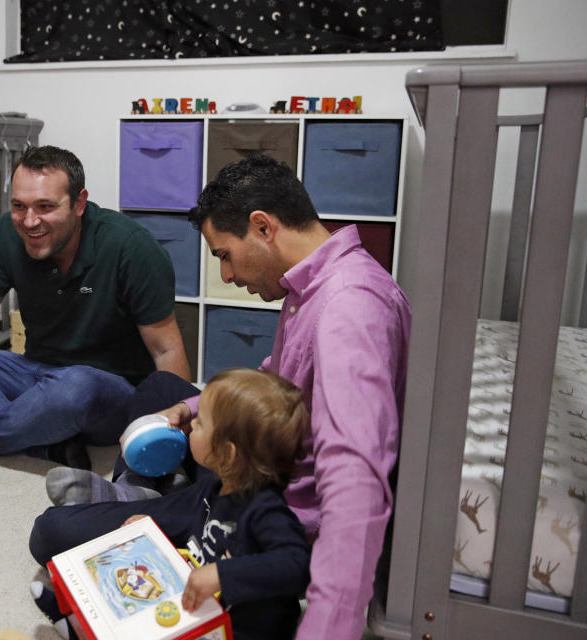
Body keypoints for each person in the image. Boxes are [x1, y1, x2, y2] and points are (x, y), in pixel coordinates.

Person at [36, 153, 412, 640]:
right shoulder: (314, 285)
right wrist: (188, 408)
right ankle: (151, 493)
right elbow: (272, 377)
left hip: (258, 501)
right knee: (160, 390)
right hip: (252, 456)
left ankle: (155, 500)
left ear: (262, 227)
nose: (228, 276)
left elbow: (356, 482)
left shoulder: (349, 311)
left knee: (50, 532)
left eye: (223, 255)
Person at [28, 368, 312, 640]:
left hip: (240, 628)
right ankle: (80, 621)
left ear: (226, 453)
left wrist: (221, 574)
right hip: (197, 591)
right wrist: (153, 531)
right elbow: (197, 537)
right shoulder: (218, 485)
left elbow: (299, 566)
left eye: (200, 425)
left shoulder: (266, 510)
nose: (191, 428)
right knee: (131, 577)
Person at [0, 144, 190, 467]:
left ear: (79, 203)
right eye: (18, 206)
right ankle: (48, 442)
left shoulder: (131, 247)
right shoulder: (8, 235)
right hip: (37, 374)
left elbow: (167, 351)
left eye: (44, 206)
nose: (28, 221)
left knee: (75, 387)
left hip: (108, 390)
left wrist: (175, 430)